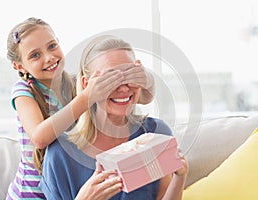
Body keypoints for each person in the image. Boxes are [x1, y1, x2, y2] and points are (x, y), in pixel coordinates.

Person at [5, 18, 155, 199]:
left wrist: (143, 77)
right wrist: (86, 97)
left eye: (52, 46)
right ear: (19, 66)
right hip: (29, 194)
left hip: (62, 189)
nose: (49, 57)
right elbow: (39, 137)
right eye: (35, 55)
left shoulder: (74, 84)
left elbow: (144, 98)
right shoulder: (23, 91)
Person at [40, 35, 188, 200]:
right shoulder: (61, 153)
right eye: (110, 78)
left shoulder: (156, 133)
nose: (124, 88)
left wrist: (179, 178)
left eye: (131, 75)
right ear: (88, 84)